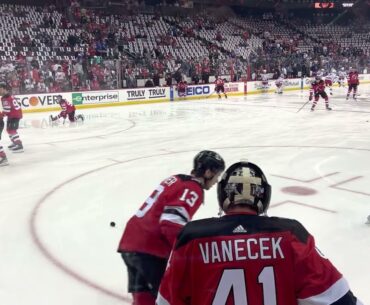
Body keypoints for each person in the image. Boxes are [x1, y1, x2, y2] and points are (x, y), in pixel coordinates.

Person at [157, 161, 363, 305]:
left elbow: (166, 301)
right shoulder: (292, 235)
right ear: (264, 197)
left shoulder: (190, 238)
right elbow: (339, 300)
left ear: (222, 196)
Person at [117, 150, 225, 305]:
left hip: (131, 243)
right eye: (217, 175)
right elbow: (170, 223)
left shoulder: (176, 179)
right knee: (170, 297)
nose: (216, 181)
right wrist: (186, 252)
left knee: (144, 299)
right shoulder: (194, 189)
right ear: (208, 172)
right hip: (150, 248)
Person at [0, 83, 23, 152]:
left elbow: (7, 110)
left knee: (12, 130)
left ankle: (19, 145)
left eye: (0, 89)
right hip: (12, 115)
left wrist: (1, 116)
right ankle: (15, 142)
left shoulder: (6, 98)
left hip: (15, 116)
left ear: (4, 89)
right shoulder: (7, 96)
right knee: (8, 130)